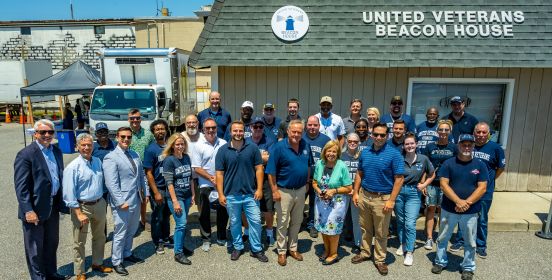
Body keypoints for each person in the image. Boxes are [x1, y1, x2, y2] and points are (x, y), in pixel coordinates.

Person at [14, 119, 70, 280]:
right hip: (35, 209)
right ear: (35, 133)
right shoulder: (26, 154)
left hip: (52, 206)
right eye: (43, 132)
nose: (47, 135)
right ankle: (38, 277)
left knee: (51, 243)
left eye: (50, 132)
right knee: (35, 248)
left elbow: (59, 177)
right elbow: (21, 187)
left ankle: (51, 273)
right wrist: (28, 210)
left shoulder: (56, 151)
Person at [431, 134, 488, 280]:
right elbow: (444, 184)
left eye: (470, 145)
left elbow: (482, 188)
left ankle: (468, 267)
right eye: (464, 144)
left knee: (470, 240)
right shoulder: (449, 163)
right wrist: (458, 201)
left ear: (473, 146)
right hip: (449, 208)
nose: (467, 147)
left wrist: (466, 203)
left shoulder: (480, 165)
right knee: (443, 237)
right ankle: (440, 261)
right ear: (458, 145)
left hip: (471, 210)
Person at [351, 122, 405, 276]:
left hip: (383, 199)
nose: (379, 137)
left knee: (381, 232)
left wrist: (391, 200)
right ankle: (366, 252)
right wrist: (355, 192)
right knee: (365, 228)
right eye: (376, 134)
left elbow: (399, 179)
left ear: (387, 136)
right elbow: (359, 173)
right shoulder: (365, 152)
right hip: (365, 195)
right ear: (371, 135)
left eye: (382, 135)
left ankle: (380, 259)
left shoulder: (394, 154)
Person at [215, 121, 268, 263]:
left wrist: (259, 189)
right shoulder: (223, 150)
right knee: (235, 222)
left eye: (240, 131)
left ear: (244, 132)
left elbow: (259, 169)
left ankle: (256, 249)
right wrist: (220, 194)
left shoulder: (252, 148)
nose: (238, 133)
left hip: (251, 194)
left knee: (256, 221)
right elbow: (219, 174)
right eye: (235, 131)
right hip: (231, 194)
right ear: (230, 132)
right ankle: (238, 247)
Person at [451, 122, 505, 258]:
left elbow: (500, 168)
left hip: (484, 192)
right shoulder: (468, 146)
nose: (481, 135)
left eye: (484, 132)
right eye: (478, 132)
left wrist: (489, 181)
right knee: (463, 216)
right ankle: (460, 241)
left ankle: (481, 245)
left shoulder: (496, 148)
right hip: (467, 190)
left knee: (481, 219)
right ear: (474, 132)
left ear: (489, 134)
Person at [63, 133, 113, 280]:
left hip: (99, 203)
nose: (86, 147)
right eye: (83, 145)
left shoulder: (97, 161)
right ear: (77, 147)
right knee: (79, 241)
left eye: (89, 145)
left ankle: (97, 263)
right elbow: (68, 193)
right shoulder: (72, 167)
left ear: (93, 146)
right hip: (81, 207)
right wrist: (78, 213)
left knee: (100, 236)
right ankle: (80, 271)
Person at [266, 119, 313, 266]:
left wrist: (307, 182)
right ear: (288, 131)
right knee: (282, 222)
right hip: (283, 191)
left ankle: (293, 248)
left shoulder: (306, 145)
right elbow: (271, 172)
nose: (297, 135)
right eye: (294, 131)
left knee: (297, 221)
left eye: (300, 132)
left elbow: (308, 165)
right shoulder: (279, 147)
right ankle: (281, 251)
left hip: (300, 190)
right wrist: (274, 190)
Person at [103, 127, 149, 276]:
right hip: (122, 202)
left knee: (132, 228)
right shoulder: (111, 157)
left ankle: (127, 253)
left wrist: (145, 192)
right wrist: (120, 201)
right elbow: (111, 183)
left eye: (129, 137)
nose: (126, 139)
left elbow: (141, 175)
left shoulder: (134, 154)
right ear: (117, 137)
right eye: (123, 137)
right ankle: (116, 260)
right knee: (121, 232)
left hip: (136, 198)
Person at [394, 133, 435, 266]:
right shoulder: (399, 158)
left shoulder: (423, 159)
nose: (409, 146)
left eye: (412, 143)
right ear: (404, 146)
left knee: (410, 223)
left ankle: (410, 252)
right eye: (407, 144)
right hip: (399, 192)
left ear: (416, 144)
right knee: (400, 221)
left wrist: (424, 185)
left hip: (413, 193)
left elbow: (432, 174)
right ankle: (403, 244)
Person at [312, 140, 353, 265]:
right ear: (325, 152)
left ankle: (334, 253)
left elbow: (348, 187)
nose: (331, 153)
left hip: (337, 203)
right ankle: (327, 249)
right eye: (329, 151)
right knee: (323, 227)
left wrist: (334, 191)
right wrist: (318, 190)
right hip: (321, 201)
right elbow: (314, 181)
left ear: (338, 153)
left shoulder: (341, 166)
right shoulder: (320, 163)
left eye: (334, 151)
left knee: (333, 228)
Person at [192, 118, 229, 249]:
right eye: (208, 128)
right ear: (203, 130)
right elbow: (196, 167)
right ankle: (206, 238)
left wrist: (219, 180)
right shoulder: (198, 146)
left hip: (222, 183)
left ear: (216, 128)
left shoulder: (224, 143)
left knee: (223, 211)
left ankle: (221, 236)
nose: (211, 130)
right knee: (204, 213)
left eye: (213, 127)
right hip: (204, 184)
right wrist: (211, 178)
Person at [422, 120, 457, 250]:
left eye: (446, 130)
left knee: (443, 210)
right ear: (437, 131)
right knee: (431, 209)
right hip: (432, 183)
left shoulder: (454, 148)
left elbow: (457, 167)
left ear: (450, 131)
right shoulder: (430, 147)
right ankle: (429, 237)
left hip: (447, 185)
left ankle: (441, 236)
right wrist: (423, 183)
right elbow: (424, 166)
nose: (443, 132)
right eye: (441, 129)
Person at [162, 133, 196, 265]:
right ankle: (178, 253)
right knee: (181, 223)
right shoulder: (169, 160)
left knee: (183, 223)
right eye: (177, 144)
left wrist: (193, 194)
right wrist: (175, 201)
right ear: (172, 145)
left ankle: (180, 246)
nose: (180, 146)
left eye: (182, 144)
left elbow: (191, 178)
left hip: (187, 196)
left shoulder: (186, 157)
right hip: (176, 197)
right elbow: (169, 183)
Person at [143, 119, 172, 255]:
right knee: (157, 216)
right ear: (153, 132)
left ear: (166, 130)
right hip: (159, 188)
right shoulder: (150, 150)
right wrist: (155, 192)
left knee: (167, 215)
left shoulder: (170, 146)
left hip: (170, 187)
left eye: (162, 129)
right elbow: (148, 172)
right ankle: (158, 241)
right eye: (157, 129)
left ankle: (166, 237)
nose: (160, 131)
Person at [247, 117, 277, 246]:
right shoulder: (245, 141)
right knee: (245, 207)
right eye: (255, 126)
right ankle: (247, 232)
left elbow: (270, 159)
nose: (258, 129)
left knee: (268, 208)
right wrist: (261, 157)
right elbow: (242, 158)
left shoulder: (270, 141)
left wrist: (252, 158)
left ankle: (269, 233)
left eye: (261, 126)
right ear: (250, 127)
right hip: (248, 178)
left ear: (264, 128)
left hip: (265, 179)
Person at [303, 116, 331, 238]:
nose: (312, 127)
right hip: (302, 179)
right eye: (310, 125)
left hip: (319, 179)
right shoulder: (301, 138)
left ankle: (312, 224)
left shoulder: (326, 140)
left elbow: (331, 158)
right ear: (306, 125)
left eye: (315, 125)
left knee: (315, 203)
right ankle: (297, 223)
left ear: (319, 126)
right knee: (298, 203)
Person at [127, 108, 154, 233]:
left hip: (144, 170)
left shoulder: (148, 134)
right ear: (129, 119)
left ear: (140, 119)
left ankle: (143, 220)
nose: (135, 120)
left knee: (144, 197)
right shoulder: (125, 134)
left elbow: (153, 149)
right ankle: (132, 222)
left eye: (137, 118)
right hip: (129, 171)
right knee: (130, 198)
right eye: (132, 118)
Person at [341, 133, 362, 254]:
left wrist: (356, 190)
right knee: (339, 217)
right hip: (343, 192)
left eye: (355, 141)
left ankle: (358, 243)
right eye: (350, 141)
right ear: (346, 142)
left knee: (356, 219)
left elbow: (364, 175)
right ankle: (336, 240)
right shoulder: (341, 156)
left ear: (359, 143)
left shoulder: (362, 156)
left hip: (356, 193)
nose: (352, 143)